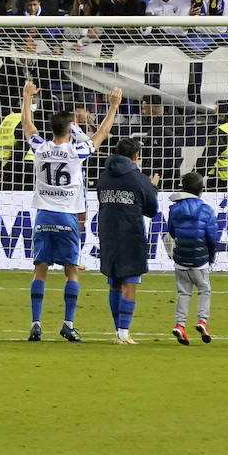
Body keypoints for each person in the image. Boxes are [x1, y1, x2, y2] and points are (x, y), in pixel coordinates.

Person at [21, 80, 121, 343]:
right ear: (70, 130)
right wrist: (112, 106)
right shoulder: (77, 151)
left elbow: (27, 127)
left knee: (39, 269)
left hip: (43, 215)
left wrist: (26, 97)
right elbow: (102, 133)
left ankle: (35, 323)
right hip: (67, 217)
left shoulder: (40, 149)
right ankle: (67, 323)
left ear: (52, 130)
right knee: (71, 271)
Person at [96, 136, 160, 345]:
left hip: (107, 233)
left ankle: (118, 331)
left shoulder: (104, 177)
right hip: (130, 234)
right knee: (129, 283)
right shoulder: (139, 179)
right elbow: (151, 210)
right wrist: (152, 188)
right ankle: (123, 333)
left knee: (114, 283)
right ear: (135, 156)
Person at [165, 171, 219, 345]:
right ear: (202, 190)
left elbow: (172, 232)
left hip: (180, 259)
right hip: (199, 259)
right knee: (204, 290)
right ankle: (202, 321)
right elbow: (212, 237)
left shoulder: (174, 208)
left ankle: (180, 325)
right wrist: (210, 257)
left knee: (183, 292)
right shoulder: (206, 210)